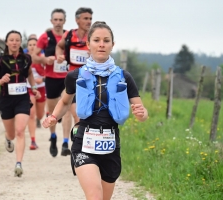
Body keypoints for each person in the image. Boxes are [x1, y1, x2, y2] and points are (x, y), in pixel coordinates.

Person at [43, 21, 148, 200]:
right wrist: (53, 116)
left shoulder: (124, 77)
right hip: (84, 142)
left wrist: (142, 114)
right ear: (88, 44)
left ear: (112, 45)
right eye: (97, 40)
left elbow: (141, 111)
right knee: (95, 195)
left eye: (106, 40)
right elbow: (65, 102)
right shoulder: (75, 76)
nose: (101, 44)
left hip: (111, 144)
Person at [0, 30, 40, 177]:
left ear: (20, 42)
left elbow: (29, 74)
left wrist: (34, 88)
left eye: (17, 40)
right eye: (12, 40)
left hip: (22, 98)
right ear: (7, 42)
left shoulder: (27, 58)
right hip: (6, 99)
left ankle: (18, 164)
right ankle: (8, 139)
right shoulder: (0, 60)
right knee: (11, 134)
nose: (15, 42)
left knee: (20, 130)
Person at [33, 8, 72, 157]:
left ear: (64, 21)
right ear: (51, 21)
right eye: (55, 20)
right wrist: (44, 59)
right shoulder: (45, 37)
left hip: (66, 78)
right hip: (51, 78)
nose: (58, 23)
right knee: (52, 112)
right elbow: (33, 56)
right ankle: (54, 137)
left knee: (67, 108)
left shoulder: (69, 36)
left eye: (60, 20)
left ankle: (65, 143)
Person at [55, 7, 93, 126]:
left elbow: (104, 55)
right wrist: (59, 56)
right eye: (85, 18)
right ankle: (78, 142)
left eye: (90, 19)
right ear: (77, 20)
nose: (89, 21)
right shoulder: (69, 34)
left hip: (90, 81)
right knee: (77, 116)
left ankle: (82, 140)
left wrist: (94, 55)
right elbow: (59, 46)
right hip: (73, 80)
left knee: (87, 117)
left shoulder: (94, 36)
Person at [26, 37, 46, 150]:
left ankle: (39, 120)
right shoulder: (24, 59)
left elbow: (50, 74)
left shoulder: (42, 58)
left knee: (39, 115)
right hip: (29, 88)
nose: (32, 46)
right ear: (27, 47)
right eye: (30, 44)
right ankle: (33, 141)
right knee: (31, 114)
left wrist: (42, 80)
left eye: (35, 44)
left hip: (41, 88)